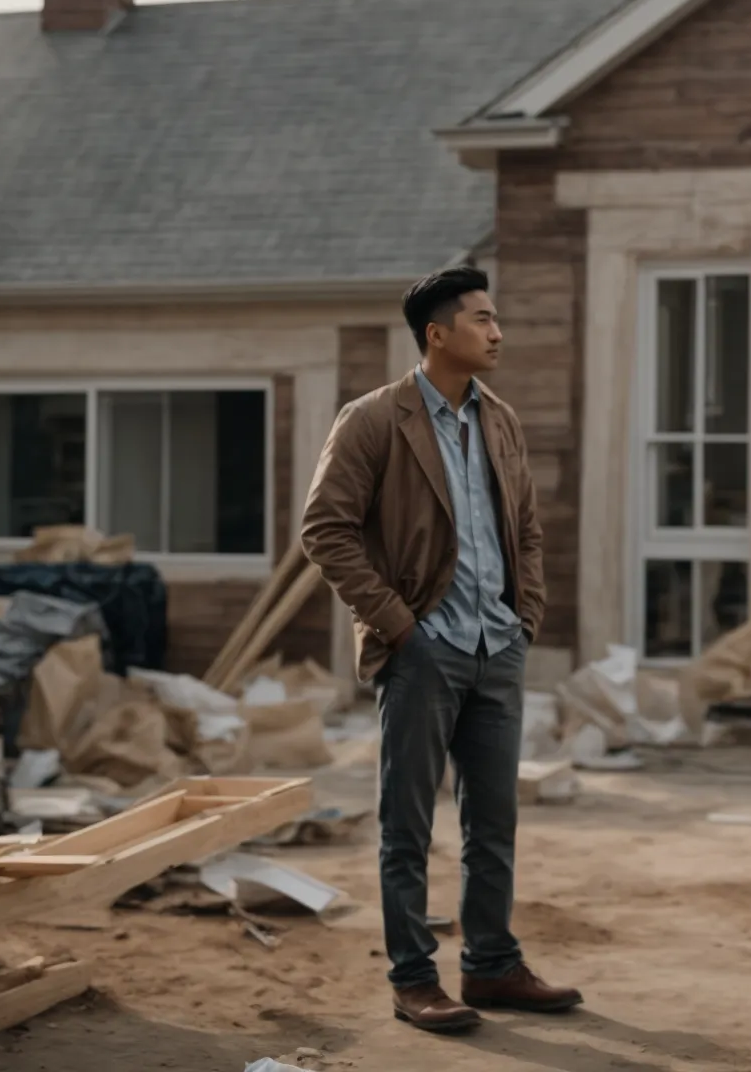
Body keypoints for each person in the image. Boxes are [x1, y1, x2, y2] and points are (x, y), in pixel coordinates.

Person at [301, 265, 579, 1034]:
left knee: (494, 821)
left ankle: (490, 965)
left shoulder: (502, 420)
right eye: (483, 320)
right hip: (424, 649)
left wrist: (525, 617)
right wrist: (399, 627)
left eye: (497, 319)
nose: (498, 332)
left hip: (498, 645)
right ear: (437, 333)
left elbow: (522, 527)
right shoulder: (373, 420)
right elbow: (324, 529)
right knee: (408, 825)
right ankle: (413, 977)